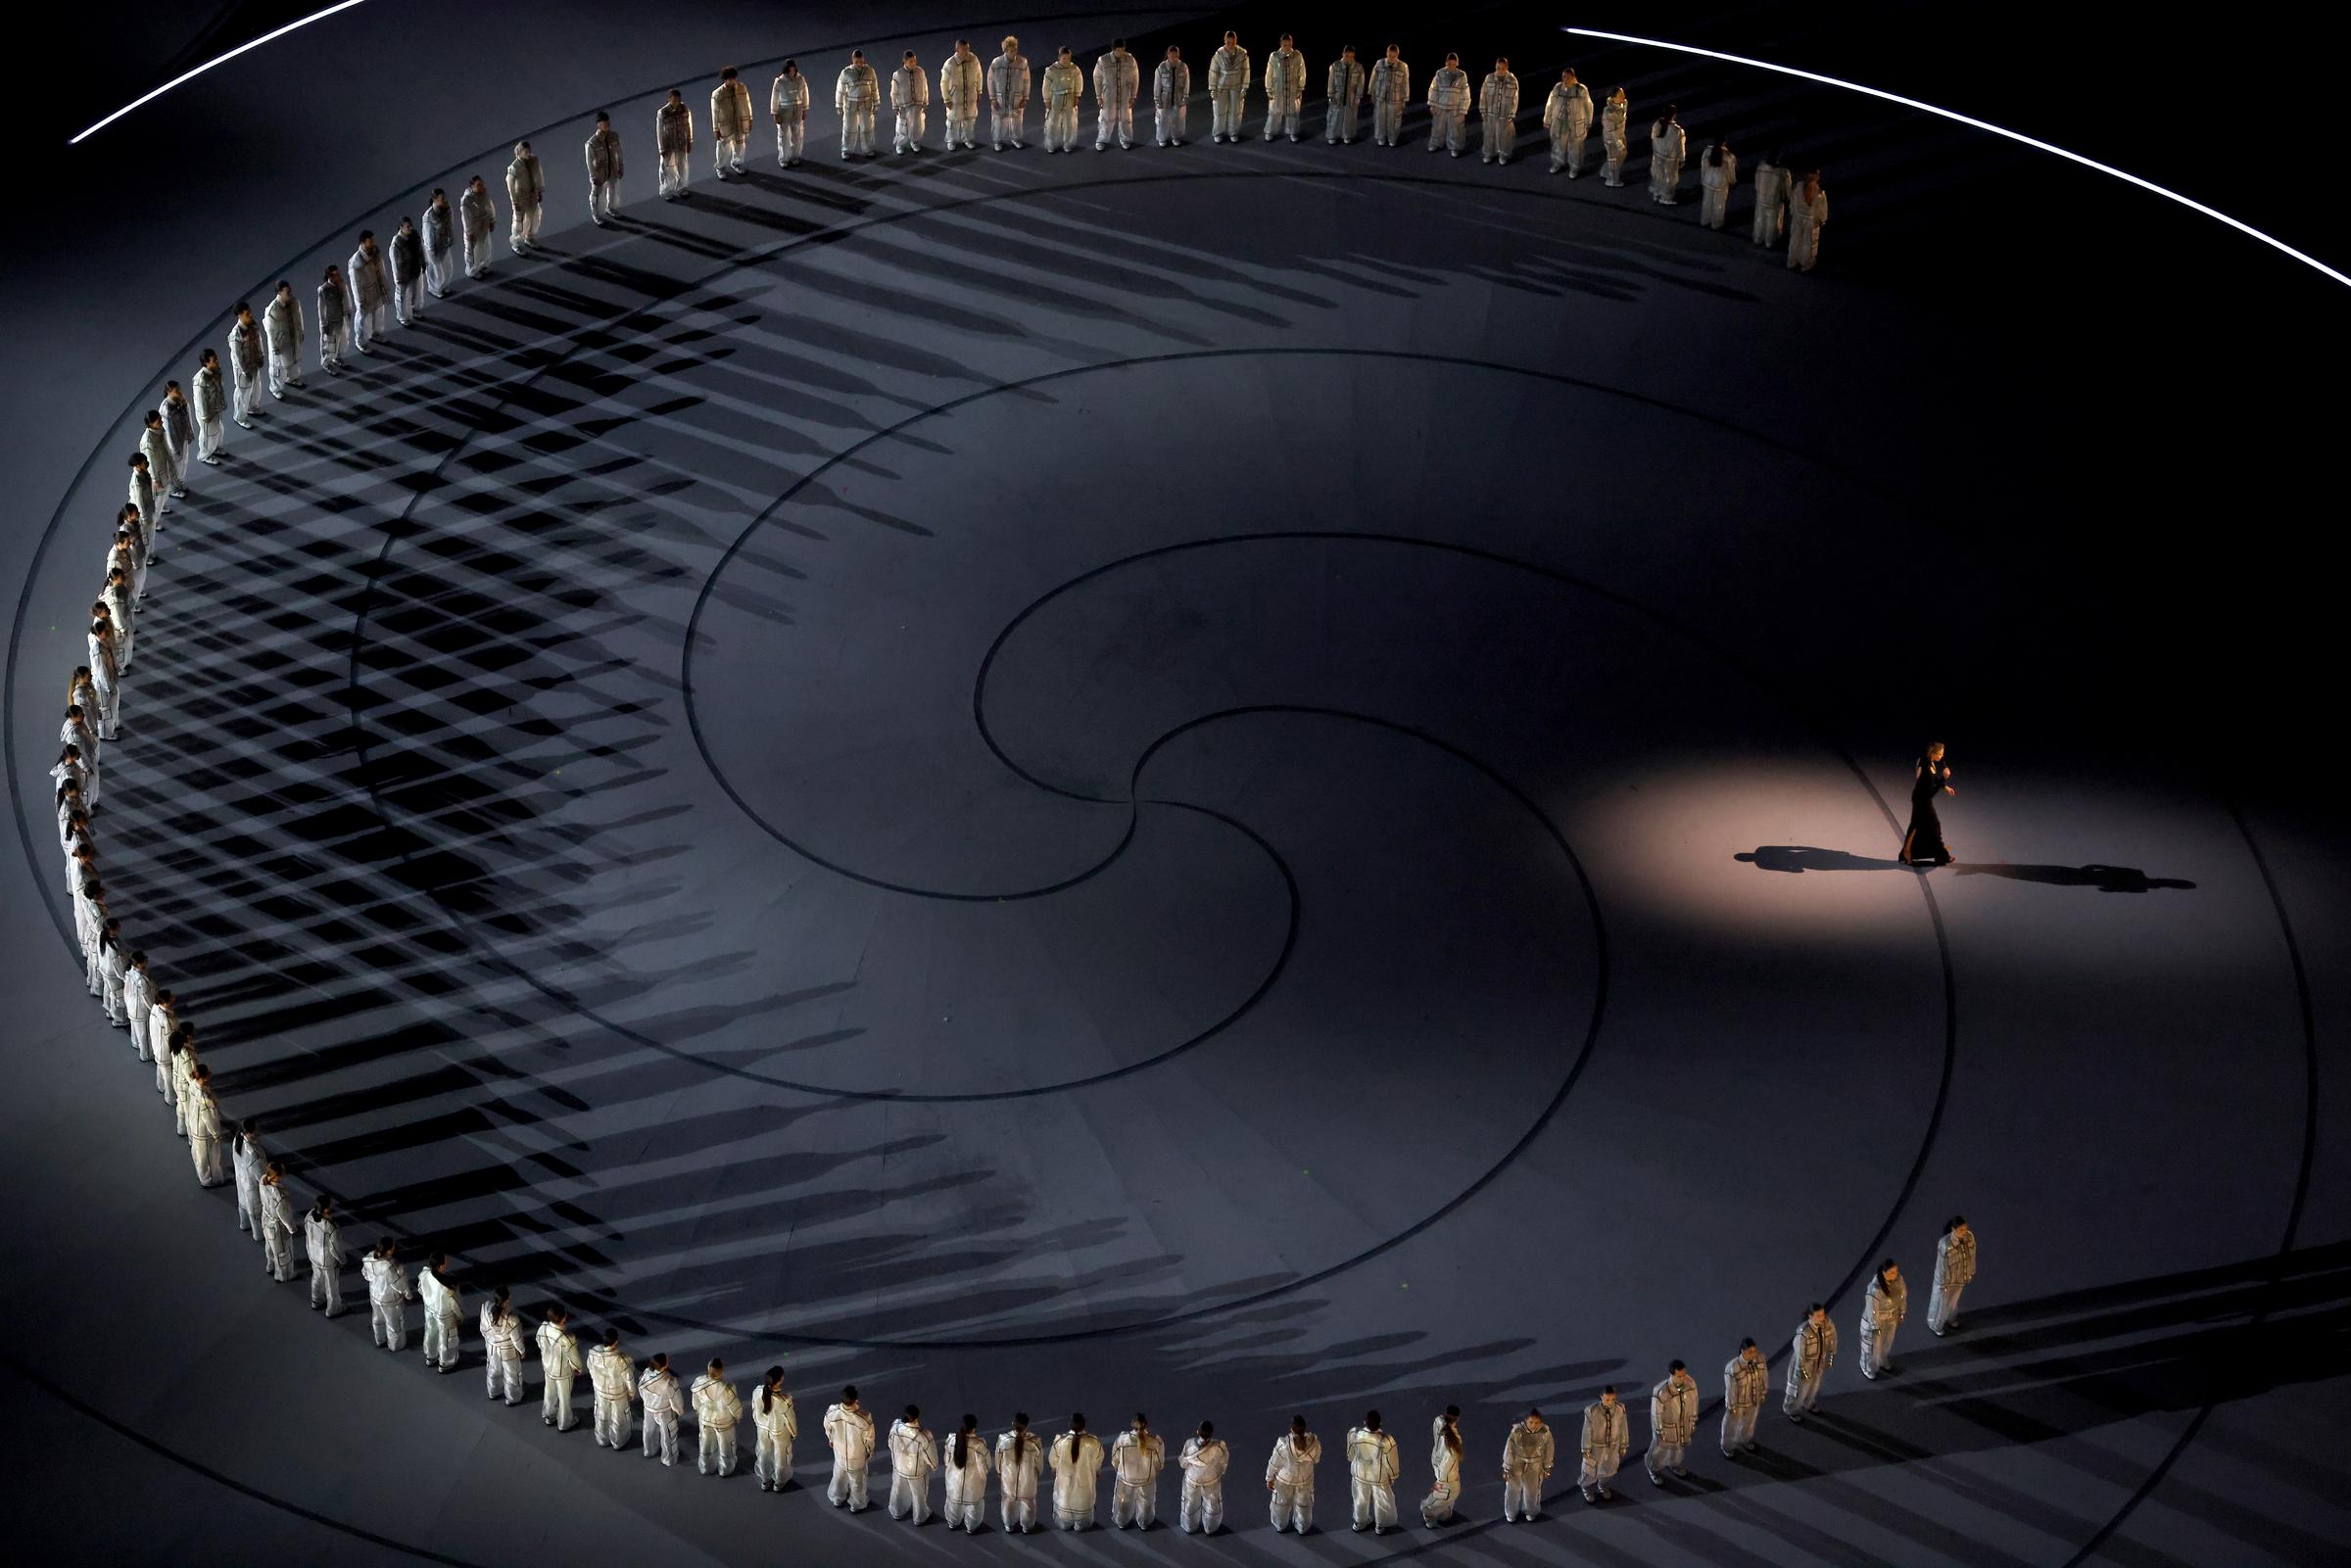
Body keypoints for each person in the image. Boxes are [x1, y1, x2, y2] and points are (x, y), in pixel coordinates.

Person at [1345, 1410, 1400, 1534]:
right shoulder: (1386, 1441)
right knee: (1382, 1499)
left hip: (1359, 1473)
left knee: (1360, 1498)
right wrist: (1393, 1475)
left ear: (1365, 1422)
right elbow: (1391, 1461)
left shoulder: (1354, 1434)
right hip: (1378, 1476)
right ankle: (1381, 1524)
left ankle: (1360, 1521)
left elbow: (1350, 1454)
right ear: (1380, 1423)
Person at [1900, 741, 1953, 864]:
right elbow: (1931, 790)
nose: (1942, 756)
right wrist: (1944, 778)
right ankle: (1940, 854)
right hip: (1922, 800)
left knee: (1919, 825)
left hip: (1924, 798)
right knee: (1931, 825)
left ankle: (1912, 852)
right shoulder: (1925, 765)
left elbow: (1935, 775)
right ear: (1933, 753)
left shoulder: (1930, 761)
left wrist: (1945, 787)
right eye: (1940, 754)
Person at [1647, 1361, 1700, 1484]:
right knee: (1660, 1451)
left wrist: (1693, 1420)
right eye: (1679, 1376)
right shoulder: (1661, 1391)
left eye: (1684, 1374)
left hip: (1682, 1424)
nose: (1683, 1378)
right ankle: (1653, 1470)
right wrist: (1659, 1430)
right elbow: (1656, 1413)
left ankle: (1674, 1464)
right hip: (1667, 1427)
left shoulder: (1690, 1383)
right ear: (1672, 1374)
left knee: (1678, 1449)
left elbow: (1694, 1401)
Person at [1108, 1411, 1163, 1528]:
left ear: (1132, 1423)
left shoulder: (1122, 1439)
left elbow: (1115, 1458)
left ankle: (1122, 1521)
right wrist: (1155, 1471)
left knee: (1123, 1500)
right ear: (1146, 1424)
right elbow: (1159, 1462)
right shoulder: (1154, 1441)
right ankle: (1144, 1522)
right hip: (1146, 1478)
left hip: (1126, 1477)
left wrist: (1117, 1468)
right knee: (1146, 1501)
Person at [1266, 1414, 1319, 1532]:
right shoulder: (1314, 1443)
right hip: (1305, 1479)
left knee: (1281, 1503)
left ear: (1292, 1428)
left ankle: (1280, 1525)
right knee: (1304, 1504)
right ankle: (1302, 1527)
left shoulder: (1283, 1445)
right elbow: (1316, 1459)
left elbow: (1274, 1463)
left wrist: (1269, 1478)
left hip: (1284, 1480)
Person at [1785, 1303, 1838, 1420]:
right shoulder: (1804, 1333)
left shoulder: (1827, 1324)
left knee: (1814, 1387)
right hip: (1804, 1365)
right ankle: (1792, 1410)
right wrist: (1801, 1370)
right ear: (1810, 1316)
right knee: (1799, 1389)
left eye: (1823, 1314)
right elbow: (1800, 1353)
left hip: (1818, 1363)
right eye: (1818, 1315)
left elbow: (1833, 1338)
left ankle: (1809, 1403)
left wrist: (1831, 1355)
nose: (1822, 1317)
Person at [825, 1386, 876, 1507]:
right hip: (856, 1456)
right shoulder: (864, 1418)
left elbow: (828, 1427)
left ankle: (837, 1498)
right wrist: (869, 1451)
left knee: (839, 1475)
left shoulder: (832, 1412)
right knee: (857, 1481)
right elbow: (869, 1439)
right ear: (856, 1399)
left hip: (840, 1453)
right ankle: (856, 1504)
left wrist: (831, 1439)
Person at [1050, 1412, 1103, 1530]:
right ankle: (1081, 1524)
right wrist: (1095, 1471)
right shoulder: (1093, 1442)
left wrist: (1055, 1469)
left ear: (1069, 1424)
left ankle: (1065, 1522)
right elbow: (1098, 1461)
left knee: (1064, 1501)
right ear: (1084, 1425)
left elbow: (1053, 1461)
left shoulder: (1060, 1441)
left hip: (1065, 1482)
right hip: (1085, 1482)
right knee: (1083, 1502)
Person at [694, 1357, 744, 1476]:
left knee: (706, 1443)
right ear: (721, 1370)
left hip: (705, 1417)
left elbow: (695, 1400)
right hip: (723, 1420)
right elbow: (734, 1406)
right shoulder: (727, 1388)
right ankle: (725, 1469)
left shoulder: (699, 1382)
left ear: (708, 1369)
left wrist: (698, 1410)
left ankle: (706, 1467)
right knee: (726, 1445)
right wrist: (738, 1416)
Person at [588, 1329, 636, 1449]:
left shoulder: (593, 1353)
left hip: (600, 1390)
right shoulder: (622, 1359)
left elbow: (590, 1369)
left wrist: (596, 1382)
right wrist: (632, 1392)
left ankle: (602, 1438)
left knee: (601, 1413)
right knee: (619, 1416)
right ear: (616, 1341)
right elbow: (628, 1378)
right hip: (617, 1392)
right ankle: (618, 1440)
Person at [1176, 1419, 1226, 1534]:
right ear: (1211, 1434)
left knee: (1189, 1503)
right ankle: (1211, 1528)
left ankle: (1189, 1526)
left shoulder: (1189, 1444)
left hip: (1192, 1479)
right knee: (1212, 1505)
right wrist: (1217, 1473)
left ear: (1198, 1432)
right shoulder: (1219, 1446)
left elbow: (1183, 1463)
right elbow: (1223, 1463)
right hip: (1211, 1480)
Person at [888, 1403, 936, 1519]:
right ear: (917, 1417)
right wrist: (933, 1465)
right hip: (916, 1471)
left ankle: (897, 1511)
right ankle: (920, 1516)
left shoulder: (895, 1426)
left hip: (899, 1466)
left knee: (898, 1489)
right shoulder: (924, 1436)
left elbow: (890, 1443)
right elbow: (930, 1455)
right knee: (919, 1494)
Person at [1861, 1259, 1908, 1379]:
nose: (1895, 1274)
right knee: (1873, 1346)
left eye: (1896, 1271)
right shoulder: (1875, 1289)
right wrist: (1874, 1326)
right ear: (1884, 1273)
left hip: (1891, 1317)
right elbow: (1872, 1309)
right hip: (1877, 1320)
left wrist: (1902, 1311)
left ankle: (1882, 1359)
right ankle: (1868, 1366)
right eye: (1892, 1272)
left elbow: (1903, 1296)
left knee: (1887, 1341)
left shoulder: (1899, 1281)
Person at [482, 1285, 528, 1404]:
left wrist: (489, 1341)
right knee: (512, 1374)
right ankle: (513, 1397)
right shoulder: (512, 1318)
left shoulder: (486, 1309)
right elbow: (517, 1339)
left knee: (493, 1369)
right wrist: (522, 1351)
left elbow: (483, 1329)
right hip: (508, 1351)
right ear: (507, 1300)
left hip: (492, 1347)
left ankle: (493, 1391)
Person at [1931, 1215, 1977, 1335]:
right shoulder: (1945, 1244)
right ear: (1953, 1229)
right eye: (1961, 1230)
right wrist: (1943, 1283)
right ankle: (1936, 1325)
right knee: (1942, 1303)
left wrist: (1971, 1272)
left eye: (1965, 1229)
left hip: (1960, 1277)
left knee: (1953, 1302)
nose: (1964, 1232)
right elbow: (1941, 1266)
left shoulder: (1969, 1237)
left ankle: (1950, 1318)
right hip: (1947, 1281)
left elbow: (1972, 1256)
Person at [1506, 1406, 1555, 1518]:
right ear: (1526, 1421)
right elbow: (1509, 1449)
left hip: (1535, 1464)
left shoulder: (1545, 1432)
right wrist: (1507, 1467)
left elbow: (1549, 1449)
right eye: (1531, 1422)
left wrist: (1547, 1466)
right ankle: (1511, 1512)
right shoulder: (1517, 1432)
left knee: (1532, 1489)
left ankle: (1531, 1511)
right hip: (1517, 1462)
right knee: (1512, 1489)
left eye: (1537, 1423)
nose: (1534, 1425)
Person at [536, 1305, 581, 1427]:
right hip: (563, 1372)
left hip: (548, 1367)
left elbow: (539, 1343)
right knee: (564, 1397)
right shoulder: (568, 1337)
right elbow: (573, 1357)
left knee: (549, 1392)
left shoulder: (543, 1328)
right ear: (563, 1318)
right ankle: (565, 1422)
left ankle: (549, 1414)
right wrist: (577, 1368)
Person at [1722, 1338, 1768, 1455]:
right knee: (1731, 1426)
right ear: (1743, 1351)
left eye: (1754, 1351)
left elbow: (1764, 1376)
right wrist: (1731, 1405)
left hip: (1753, 1400)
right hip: (1738, 1403)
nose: (1754, 1354)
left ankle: (1744, 1439)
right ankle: (1728, 1446)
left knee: (1749, 1423)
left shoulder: (1760, 1359)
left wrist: (1763, 1392)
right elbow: (1730, 1388)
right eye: (1750, 1351)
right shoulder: (1733, 1367)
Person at [996, 1413, 1042, 1531]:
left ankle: (1009, 1525)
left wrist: (999, 1471)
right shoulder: (1035, 1441)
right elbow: (1039, 1463)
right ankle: (1027, 1526)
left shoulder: (1003, 1439)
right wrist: (1038, 1473)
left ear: (1013, 1424)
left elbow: (998, 1459)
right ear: (1027, 1426)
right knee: (1028, 1503)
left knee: (1008, 1501)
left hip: (1008, 1478)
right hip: (1028, 1479)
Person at [942, 1413, 989, 1529]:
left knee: (954, 1503)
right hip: (973, 1483)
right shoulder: (979, 1444)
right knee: (973, 1507)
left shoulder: (952, 1440)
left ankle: (952, 1523)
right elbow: (986, 1464)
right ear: (974, 1428)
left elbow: (947, 1460)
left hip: (954, 1480)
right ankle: (972, 1527)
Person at [1578, 1390, 1624, 1504]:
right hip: (1596, 1446)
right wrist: (1585, 1449)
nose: (1610, 1402)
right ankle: (1586, 1487)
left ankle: (1603, 1484)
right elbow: (1586, 1431)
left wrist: (1624, 1444)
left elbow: (1623, 1427)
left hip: (1613, 1445)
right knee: (1591, 1470)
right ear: (1601, 1397)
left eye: (1613, 1399)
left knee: (1610, 1468)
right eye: (1607, 1399)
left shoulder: (1619, 1409)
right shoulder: (1592, 1411)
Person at [753, 1367, 796, 1490]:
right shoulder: (784, 1400)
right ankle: (779, 1481)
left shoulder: (757, 1391)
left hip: (762, 1429)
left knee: (764, 1453)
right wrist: (793, 1434)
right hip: (779, 1431)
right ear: (780, 1380)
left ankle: (765, 1479)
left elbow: (754, 1410)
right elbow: (789, 1420)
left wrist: (758, 1422)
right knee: (780, 1457)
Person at [362, 1240, 409, 1349]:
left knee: (378, 1318)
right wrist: (408, 1294)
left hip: (374, 1294)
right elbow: (399, 1284)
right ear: (390, 1250)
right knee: (394, 1322)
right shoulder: (392, 1266)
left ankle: (380, 1339)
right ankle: (395, 1345)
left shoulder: (369, 1257)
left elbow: (365, 1273)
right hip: (389, 1298)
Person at [346, 232, 388, 354]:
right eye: (370, 242)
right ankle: (361, 342)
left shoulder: (374, 254)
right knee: (363, 319)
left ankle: (376, 333)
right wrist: (360, 301)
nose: (373, 243)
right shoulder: (356, 262)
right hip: (365, 294)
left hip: (376, 290)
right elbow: (355, 284)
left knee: (378, 313)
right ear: (363, 243)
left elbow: (381, 270)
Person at [640, 1354, 685, 1465]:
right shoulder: (669, 1381)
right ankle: (668, 1459)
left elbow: (640, 1389)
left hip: (648, 1409)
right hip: (664, 1411)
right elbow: (676, 1399)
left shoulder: (646, 1374)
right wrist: (679, 1411)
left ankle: (649, 1450)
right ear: (665, 1364)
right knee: (668, 1435)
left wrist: (647, 1402)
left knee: (649, 1431)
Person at [1547, 67, 1593, 174]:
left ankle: (1575, 167)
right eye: (1564, 77)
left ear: (1573, 77)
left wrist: (1588, 122)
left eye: (1568, 77)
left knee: (1576, 147)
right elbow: (1550, 104)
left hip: (1577, 122)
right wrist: (1547, 119)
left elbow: (1588, 106)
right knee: (1558, 143)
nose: (1565, 79)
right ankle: (1557, 163)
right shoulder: (1558, 88)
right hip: (1560, 122)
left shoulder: (1581, 90)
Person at [418, 1255, 461, 1371]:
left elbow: (420, 1289)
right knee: (446, 1338)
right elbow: (455, 1304)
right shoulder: (448, 1284)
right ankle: (446, 1362)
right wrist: (460, 1316)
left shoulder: (424, 1274)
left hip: (429, 1309)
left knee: (430, 1332)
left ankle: (431, 1356)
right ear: (441, 1266)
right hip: (444, 1314)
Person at [1093, 39, 1138, 150]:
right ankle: (1102, 140)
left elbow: (1135, 78)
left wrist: (1133, 95)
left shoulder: (1130, 60)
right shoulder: (1103, 60)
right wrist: (1099, 96)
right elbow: (1097, 78)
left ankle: (1125, 139)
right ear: (1113, 49)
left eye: (1122, 50)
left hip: (1125, 93)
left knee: (1125, 118)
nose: (1120, 52)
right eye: (1118, 50)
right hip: (1108, 94)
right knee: (1106, 118)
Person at [304, 1197, 345, 1315]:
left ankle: (316, 1300)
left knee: (317, 1277)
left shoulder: (309, 1216)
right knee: (331, 1284)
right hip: (327, 1260)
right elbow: (335, 1247)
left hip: (313, 1254)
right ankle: (333, 1308)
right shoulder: (330, 1226)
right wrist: (341, 1260)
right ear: (326, 1209)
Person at [1421, 1407, 1463, 1524]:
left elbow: (1439, 1419)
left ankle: (1444, 1513)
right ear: (1457, 1419)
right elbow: (1448, 1462)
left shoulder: (1438, 1422)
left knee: (1444, 1493)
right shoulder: (1454, 1440)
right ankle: (1429, 1512)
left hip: (1436, 1462)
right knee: (1451, 1492)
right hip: (1447, 1474)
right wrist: (1440, 1481)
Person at [987, 36, 1030, 149]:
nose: (1014, 53)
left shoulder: (1023, 62)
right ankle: (998, 141)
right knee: (999, 121)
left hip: (1016, 98)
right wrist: (993, 98)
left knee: (1017, 121)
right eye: (1011, 51)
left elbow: (1026, 81)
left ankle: (1016, 139)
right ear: (1005, 50)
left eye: (1015, 50)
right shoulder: (996, 63)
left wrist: (1025, 98)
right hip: (1000, 98)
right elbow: (990, 81)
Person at [939, 41, 983, 150]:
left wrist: (979, 91)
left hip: (970, 95)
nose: (967, 51)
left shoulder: (973, 59)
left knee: (969, 119)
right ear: (957, 50)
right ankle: (951, 140)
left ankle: (967, 139)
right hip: (955, 97)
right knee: (953, 120)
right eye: (964, 49)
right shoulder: (949, 64)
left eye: (967, 48)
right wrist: (946, 99)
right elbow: (944, 83)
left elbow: (979, 75)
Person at [226, 304, 264, 428]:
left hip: (254, 363)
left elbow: (259, 341)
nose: (250, 315)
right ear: (239, 315)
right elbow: (237, 355)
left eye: (250, 312)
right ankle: (240, 417)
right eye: (247, 314)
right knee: (243, 392)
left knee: (256, 387)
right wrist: (244, 370)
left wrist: (261, 355)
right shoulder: (236, 334)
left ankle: (252, 407)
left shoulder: (253, 326)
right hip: (243, 368)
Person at [836, 52, 880, 159]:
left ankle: (868, 149)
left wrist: (876, 102)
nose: (859, 64)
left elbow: (874, 88)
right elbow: (840, 90)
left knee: (867, 128)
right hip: (851, 103)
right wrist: (839, 105)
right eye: (857, 62)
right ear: (853, 60)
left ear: (863, 59)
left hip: (866, 103)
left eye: (861, 61)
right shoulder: (846, 72)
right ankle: (846, 150)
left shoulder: (870, 71)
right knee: (849, 128)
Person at [1262, 34, 1306, 141]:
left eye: (1289, 45)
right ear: (1281, 44)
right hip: (1278, 88)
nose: (1287, 47)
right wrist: (1268, 88)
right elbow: (1269, 73)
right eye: (1285, 45)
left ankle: (1293, 131)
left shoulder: (1297, 55)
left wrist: (1300, 87)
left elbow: (1302, 72)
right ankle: (1270, 131)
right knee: (1274, 111)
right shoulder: (1274, 56)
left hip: (1292, 88)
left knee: (1292, 111)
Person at [1040, 47, 1083, 154]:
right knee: (1053, 122)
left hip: (1069, 98)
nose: (1066, 61)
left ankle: (1068, 144)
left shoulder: (1074, 69)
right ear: (1059, 57)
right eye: (1064, 58)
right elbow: (1046, 86)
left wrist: (1077, 96)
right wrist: (1047, 99)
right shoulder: (1051, 70)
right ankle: (1051, 144)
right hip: (1056, 98)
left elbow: (1079, 82)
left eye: (1068, 58)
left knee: (1070, 122)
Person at [1426, 53, 1471, 156]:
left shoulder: (1462, 75)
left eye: (1453, 63)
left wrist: (1463, 108)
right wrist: (1432, 105)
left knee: (1456, 128)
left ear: (1457, 63)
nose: (1451, 65)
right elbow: (1434, 89)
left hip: (1455, 106)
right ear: (1446, 62)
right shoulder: (1440, 73)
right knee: (1437, 126)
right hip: (1441, 105)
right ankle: (1435, 143)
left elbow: (1465, 92)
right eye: (1449, 63)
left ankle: (1455, 147)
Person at [1208, 31, 1250, 142]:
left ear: (1236, 41)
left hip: (1236, 86)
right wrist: (1213, 88)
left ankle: (1233, 132)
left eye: (1233, 42)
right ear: (1224, 41)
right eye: (1228, 42)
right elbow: (1213, 72)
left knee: (1236, 111)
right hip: (1222, 86)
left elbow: (1246, 71)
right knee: (1219, 111)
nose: (1230, 45)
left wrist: (1244, 87)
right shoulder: (1219, 54)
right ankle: (1218, 132)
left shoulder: (1242, 53)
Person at [260, 1163, 298, 1282]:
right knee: (282, 1251)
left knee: (269, 1246)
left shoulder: (262, 1181)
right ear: (277, 1176)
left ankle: (270, 1265)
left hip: (266, 1219)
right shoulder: (279, 1195)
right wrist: (292, 1228)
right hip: (277, 1226)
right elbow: (284, 1215)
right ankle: (284, 1275)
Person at [710, 68, 752, 176]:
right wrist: (716, 129)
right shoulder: (717, 94)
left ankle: (737, 163)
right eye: (730, 79)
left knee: (740, 144)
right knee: (723, 147)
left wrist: (750, 119)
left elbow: (747, 104)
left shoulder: (742, 88)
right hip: (725, 125)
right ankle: (720, 167)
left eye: (734, 78)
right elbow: (715, 113)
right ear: (725, 80)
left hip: (739, 122)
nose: (733, 81)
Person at [1478, 58, 1519, 164]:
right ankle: (1488, 153)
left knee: (1504, 135)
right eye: (1498, 68)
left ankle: (1503, 155)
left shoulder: (1512, 80)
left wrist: (1512, 113)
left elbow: (1515, 98)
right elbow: (1483, 94)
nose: (1500, 70)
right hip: (1490, 112)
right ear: (1495, 67)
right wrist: (1483, 109)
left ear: (1507, 67)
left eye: (1503, 68)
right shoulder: (1489, 78)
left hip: (1504, 113)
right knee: (1489, 134)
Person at [187, 1069, 224, 1185]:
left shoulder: (193, 1084)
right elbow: (207, 1116)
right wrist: (215, 1133)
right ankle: (209, 1180)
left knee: (198, 1153)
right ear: (203, 1077)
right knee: (207, 1156)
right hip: (204, 1130)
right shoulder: (203, 1096)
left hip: (194, 1124)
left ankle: (202, 1176)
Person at [1787, 168, 1828, 270]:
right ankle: (1805, 263)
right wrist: (1822, 219)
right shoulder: (1819, 193)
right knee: (1808, 243)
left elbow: (1793, 202)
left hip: (1799, 218)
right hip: (1810, 221)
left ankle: (1793, 261)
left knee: (1796, 240)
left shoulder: (1799, 187)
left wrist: (1793, 213)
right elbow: (1822, 209)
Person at [138, 408, 179, 513]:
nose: (161, 422)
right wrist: (155, 479)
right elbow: (149, 463)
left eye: (160, 419)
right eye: (158, 421)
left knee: (164, 490)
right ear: (150, 424)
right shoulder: (148, 443)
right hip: (157, 473)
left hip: (164, 465)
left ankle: (161, 506)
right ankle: (156, 512)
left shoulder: (159, 430)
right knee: (158, 494)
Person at [505, 141, 545, 251]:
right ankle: (516, 244)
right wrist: (514, 201)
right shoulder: (514, 167)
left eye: (529, 151)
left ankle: (529, 237)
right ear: (520, 152)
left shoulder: (534, 160)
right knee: (519, 221)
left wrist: (539, 191)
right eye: (526, 152)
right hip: (521, 198)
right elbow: (510, 185)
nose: (528, 153)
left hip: (532, 195)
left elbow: (538, 175)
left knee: (533, 217)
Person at [586, 113, 624, 221]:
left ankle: (611, 208)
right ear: (599, 125)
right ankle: (596, 215)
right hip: (600, 172)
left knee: (613, 190)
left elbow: (619, 152)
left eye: (608, 123)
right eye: (604, 124)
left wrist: (621, 166)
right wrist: (593, 177)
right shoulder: (592, 143)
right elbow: (589, 162)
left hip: (612, 169)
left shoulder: (614, 137)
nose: (607, 125)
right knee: (596, 195)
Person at [85, 620, 120, 739]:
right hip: (103, 685)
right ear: (99, 633)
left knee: (113, 705)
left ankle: (113, 725)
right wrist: (108, 688)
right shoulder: (98, 652)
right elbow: (101, 673)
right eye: (105, 630)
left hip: (111, 679)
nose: (108, 631)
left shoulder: (104, 641)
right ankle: (106, 733)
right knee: (106, 709)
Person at [889, 52, 929, 155]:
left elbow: (925, 88)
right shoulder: (898, 74)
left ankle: (914, 141)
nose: (913, 63)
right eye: (911, 61)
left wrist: (925, 101)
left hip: (917, 104)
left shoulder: (920, 72)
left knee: (916, 125)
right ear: (904, 61)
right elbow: (894, 92)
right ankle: (900, 144)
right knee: (902, 126)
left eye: (914, 61)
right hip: (904, 105)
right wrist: (895, 105)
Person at [158, 380, 196, 487]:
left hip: (183, 437)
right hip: (174, 444)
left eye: (179, 390)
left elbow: (187, 418)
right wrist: (174, 449)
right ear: (169, 392)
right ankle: (173, 487)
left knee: (184, 461)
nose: (180, 392)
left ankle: (180, 482)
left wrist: (189, 434)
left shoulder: (180, 401)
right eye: (177, 391)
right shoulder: (166, 410)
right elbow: (168, 431)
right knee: (176, 465)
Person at [769, 67, 809, 166]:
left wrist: (805, 109)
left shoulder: (800, 79)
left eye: (794, 70)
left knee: (797, 134)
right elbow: (774, 98)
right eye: (790, 70)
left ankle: (794, 156)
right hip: (784, 111)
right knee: (783, 135)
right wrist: (775, 113)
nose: (792, 72)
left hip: (797, 110)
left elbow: (805, 94)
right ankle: (783, 158)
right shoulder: (779, 82)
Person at [656, 89, 694, 197]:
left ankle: (681, 187)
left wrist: (689, 141)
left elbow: (688, 126)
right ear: (669, 100)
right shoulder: (662, 112)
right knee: (668, 169)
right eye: (674, 101)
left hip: (681, 143)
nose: (676, 103)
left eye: (678, 101)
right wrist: (661, 148)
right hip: (669, 146)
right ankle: (666, 190)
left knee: (683, 167)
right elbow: (659, 131)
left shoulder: (685, 109)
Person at [192, 351, 227, 463]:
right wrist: (205, 416)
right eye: (214, 360)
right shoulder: (200, 380)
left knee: (219, 429)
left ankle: (215, 448)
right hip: (208, 413)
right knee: (208, 434)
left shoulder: (216, 371)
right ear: (206, 363)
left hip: (216, 407)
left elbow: (219, 388)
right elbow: (200, 400)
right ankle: (204, 455)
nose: (217, 361)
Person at [1325, 45, 1366, 144]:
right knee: (1334, 116)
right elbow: (1331, 81)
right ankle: (1332, 136)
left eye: (1352, 56)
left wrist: (1358, 96)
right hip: (1338, 94)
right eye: (1347, 55)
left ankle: (1347, 135)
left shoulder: (1358, 67)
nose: (1349, 58)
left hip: (1351, 95)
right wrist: (1330, 94)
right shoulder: (1335, 66)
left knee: (1350, 116)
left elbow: (1360, 83)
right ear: (1343, 54)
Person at [229, 1118, 262, 1239]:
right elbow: (260, 1174)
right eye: (255, 1130)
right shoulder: (252, 1152)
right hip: (251, 1184)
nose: (258, 1131)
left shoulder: (237, 1140)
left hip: (241, 1179)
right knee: (255, 1210)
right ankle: (258, 1234)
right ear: (249, 1132)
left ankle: (244, 1224)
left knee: (243, 1203)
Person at [459, 176, 497, 279]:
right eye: (478, 185)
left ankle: (483, 265)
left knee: (485, 246)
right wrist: (470, 233)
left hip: (484, 225)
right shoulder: (467, 200)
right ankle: (472, 270)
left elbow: (489, 207)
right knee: (473, 250)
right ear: (473, 186)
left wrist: (492, 220)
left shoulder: (484, 194)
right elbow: (466, 219)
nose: (481, 187)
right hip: (474, 228)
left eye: (482, 184)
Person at [388, 219, 423, 326]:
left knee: (414, 292)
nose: (410, 228)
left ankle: (413, 310)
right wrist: (398, 277)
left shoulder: (414, 235)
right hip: (403, 273)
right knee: (401, 296)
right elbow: (395, 262)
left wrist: (423, 262)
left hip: (414, 269)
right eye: (408, 226)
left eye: (411, 226)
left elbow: (420, 249)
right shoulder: (396, 243)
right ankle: (401, 316)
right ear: (401, 227)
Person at [1697, 138, 1739, 227]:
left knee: (1707, 201)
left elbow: (1703, 167)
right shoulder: (1729, 156)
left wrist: (1703, 179)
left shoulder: (1707, 151)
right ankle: (1716, 223)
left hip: (1708, 180)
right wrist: (1732, 181)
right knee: (1719, 203)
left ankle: (1705, 220)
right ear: (1724, 142)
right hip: (1721, 182)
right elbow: (1731, 172)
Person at [421, 190, 456, 296]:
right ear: (435, 200)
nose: (444, 200)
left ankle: (444, 286)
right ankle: (435, 288)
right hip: (433, 247)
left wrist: (451, 237)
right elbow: (427, 234)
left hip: (444, 244)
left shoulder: (447, 209)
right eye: (442, 199)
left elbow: (450, 224)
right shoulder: (428, 216)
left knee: (448, 269)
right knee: (437, 271)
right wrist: (431, 250)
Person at [315, 264, 349, 375]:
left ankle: (337, 357)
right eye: (335, 275)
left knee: (341, 340)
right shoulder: (323, 290)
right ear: (329, 276)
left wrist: (347, 312)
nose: (338, 276)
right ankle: (327, 363)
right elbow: (321, 308)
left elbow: (346, 298)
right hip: (330, 322)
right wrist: (324, 323)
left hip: (339, 318)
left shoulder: (341, 285)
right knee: (329, 344)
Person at [1751, 151, 1790, 247]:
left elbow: (1757, 183)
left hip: (1761, 198)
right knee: (1772, 222)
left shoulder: (1761, 167)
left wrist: (1759, 193)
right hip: (1774, 201)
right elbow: (1786, 189)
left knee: (1760, 219)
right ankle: (1770, 241)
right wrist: (1786, 198)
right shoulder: (1783, 172)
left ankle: (1758, 238)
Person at [1650, 103, 1686, 204]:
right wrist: (1682, 158)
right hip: (1671, 157)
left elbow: (1653, 138)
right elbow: (1680, 146)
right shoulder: (1677, 130)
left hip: (1658, 154)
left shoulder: (1657, 124)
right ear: (1674, 114)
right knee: (1671, 177)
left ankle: (1657, 193)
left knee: (1659, 174)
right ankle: (1666, 197)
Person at [1153, 45, 1189, 146]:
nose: (1174, 58)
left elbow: (1187, 83)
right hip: (1165, 97)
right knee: (1162, 119)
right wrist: (1157, 99)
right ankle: (1162, 138)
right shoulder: (1161, 67)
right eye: (1172, 56)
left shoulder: (1183, 67)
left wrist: (1185, 96)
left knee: (1177, 119)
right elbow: (1157, 85)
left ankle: (1176, 137)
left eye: (1176, 56)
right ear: (1168, 55)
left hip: (1178, 97)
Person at [121, 949, 155, 1050]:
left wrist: (127, 1003)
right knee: (144, 1034)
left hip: (131, 1006)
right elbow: (147, 998)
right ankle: (146, 1054)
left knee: (135, 1029)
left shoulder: (129, 972)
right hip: (141, 1011)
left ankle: (135, 1043)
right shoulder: (141, 980)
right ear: (139, 964)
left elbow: (126, 991)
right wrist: (153, 1010)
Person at [1600, 86, 1630, 186]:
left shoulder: (1623, 104)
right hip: (1612, 139)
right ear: (1613, 98)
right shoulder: (1609, 112)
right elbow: (1610, 129)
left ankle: (1605, 171)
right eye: (1620, 95)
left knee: (1622, 154)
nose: (1623, 96)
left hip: (1620, 134)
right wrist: (1618, 142)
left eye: (1623, 93)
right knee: (1614, 159)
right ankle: (1612, 180)